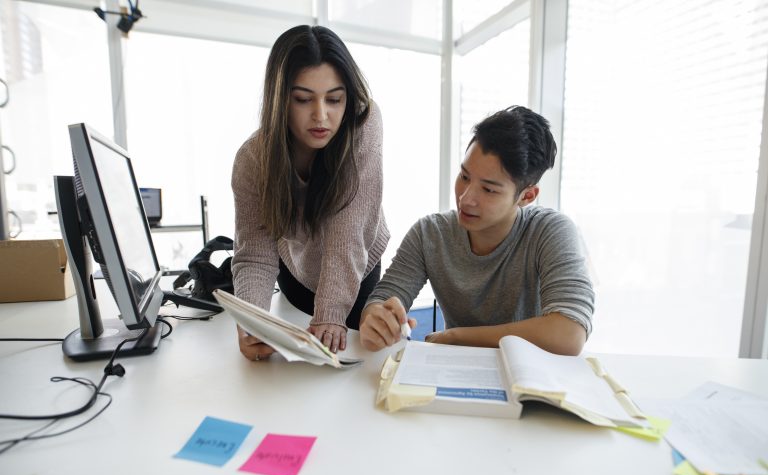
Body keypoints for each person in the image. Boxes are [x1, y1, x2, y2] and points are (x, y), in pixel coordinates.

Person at [359, 106, 594, 356]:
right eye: (464, 176)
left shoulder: (551, 231)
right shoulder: (429, 234)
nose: (466, 198)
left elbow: (570, 333)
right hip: (456, 372)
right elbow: (382, 298)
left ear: (527, 196)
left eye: (489, 190)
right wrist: (376, 318)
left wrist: (458, 336)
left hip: (530, 377)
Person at [231, 25, 389, 361]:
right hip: (298, 272)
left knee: (355, 369)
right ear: (280, 100)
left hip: (356, 268)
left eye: (334, 99)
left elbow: (349, 227)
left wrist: (331, 311)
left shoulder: (364, 123)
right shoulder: (251, 161)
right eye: (303, 99)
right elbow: (255, 254)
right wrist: (252, 322)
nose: (321, 115)